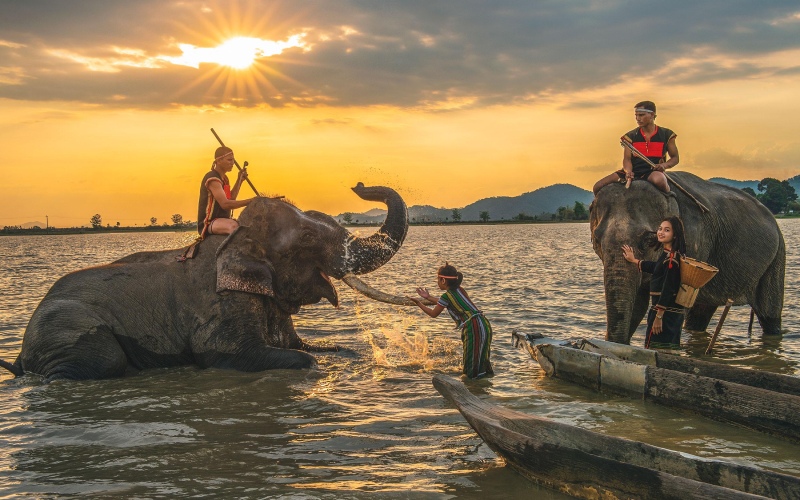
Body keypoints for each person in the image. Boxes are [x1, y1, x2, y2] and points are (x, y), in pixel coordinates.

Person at [407, 263, 493, 379]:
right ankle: (483, 389)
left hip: (473, 327)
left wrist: (419, 303)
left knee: (470, 364)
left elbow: (433, 313)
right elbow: (443, 302)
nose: (437, 282)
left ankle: (471, 388)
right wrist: (427, 297)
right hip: (484, 324)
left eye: (438, 279)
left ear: (443, 281)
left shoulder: (446, 296)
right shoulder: (460, 290)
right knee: (482, 359)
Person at [621, 216, 687, 349]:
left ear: (675, 235)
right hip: (669, 312)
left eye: (667, 230)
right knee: (667, 348)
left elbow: (669, 288)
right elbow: (657, 267)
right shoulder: (670, 255)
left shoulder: (671, 260)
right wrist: (635, 260)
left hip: (665, 313)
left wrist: (659, 316)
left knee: (658, 348)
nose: (661, 232)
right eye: (660, 228)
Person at [593, 101, 679, 195]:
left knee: (660, 180)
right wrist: (628, 171)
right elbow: (627, 159)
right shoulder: (630, 136)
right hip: (633, 171)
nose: (638, 119)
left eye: (641, 115)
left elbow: (675, 158)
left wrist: (663, 166)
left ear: (652, 115)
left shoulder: (666, 134)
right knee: (597, 186)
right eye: (636, 115)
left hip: (652, 171)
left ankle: (669, 197)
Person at [197, 146, 254, 236]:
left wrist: (239, 180)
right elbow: (225, 204)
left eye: (233, 160)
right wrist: (251, 201)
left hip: (222, 220)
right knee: (234, 227)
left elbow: (231, 198)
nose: (233, 163)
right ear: (219, 161)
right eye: (229, 160)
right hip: (210, 222)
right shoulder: (212, 178)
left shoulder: (224, 179)